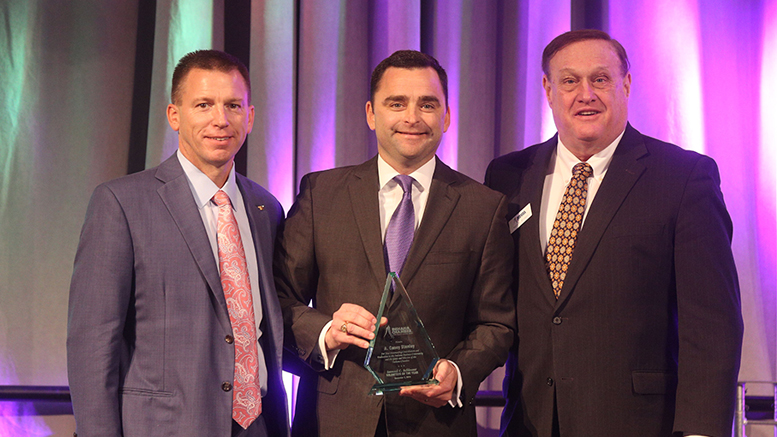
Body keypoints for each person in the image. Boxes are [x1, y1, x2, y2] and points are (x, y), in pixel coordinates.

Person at [485, 30, 743, 436]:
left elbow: (712, 324)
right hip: (529, 423)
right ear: (548, 90)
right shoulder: (507, 175)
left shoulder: (683, 177)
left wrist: (701, 431)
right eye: (570, 81)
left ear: (626, 84)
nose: (585, 94)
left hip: (638, 424)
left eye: (600, 79)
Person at [274, 50, 515, 436]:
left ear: (446, 116)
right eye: (396, 103)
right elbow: (280, 300)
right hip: (333, 420)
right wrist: (325, 332)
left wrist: (457, 371)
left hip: (434, 423)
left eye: (427, 104)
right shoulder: (321, 193)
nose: (412, 117)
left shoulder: (484, 207)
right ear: (371, 114)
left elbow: (496, 322)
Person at [67, 50, 289, 437]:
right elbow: (93, 343)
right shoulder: (121, 203)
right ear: (174, 115)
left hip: (257, 426)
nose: (221, 120)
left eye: (233, 105)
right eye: (203, 105)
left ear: (250, 117)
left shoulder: (265, 208)